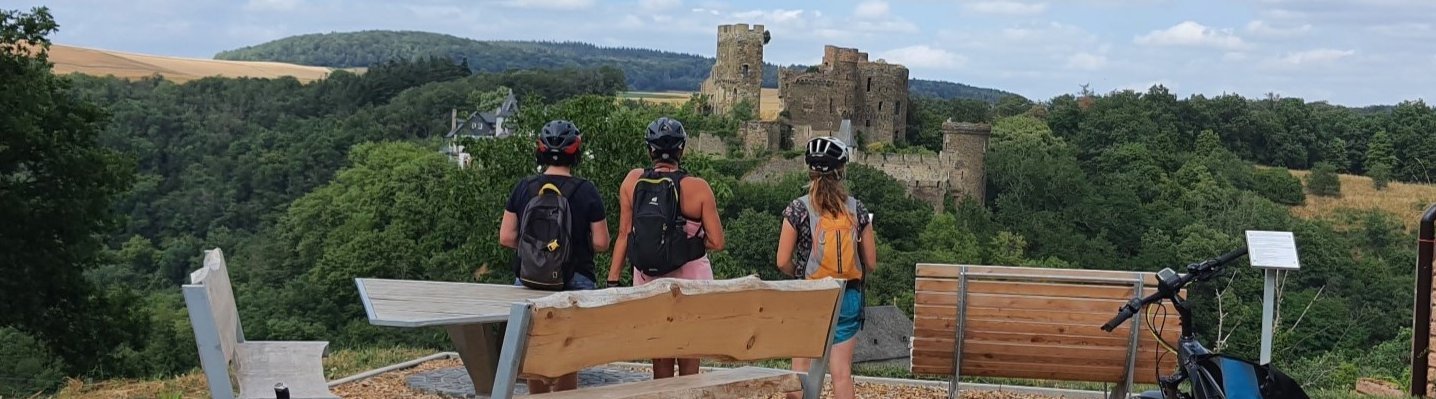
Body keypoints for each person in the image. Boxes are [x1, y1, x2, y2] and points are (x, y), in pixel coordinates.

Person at [607, 116, 725, 379]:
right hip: (692, 285)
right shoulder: (698, 188)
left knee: (660, 358)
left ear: (650, 150)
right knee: (690, 360)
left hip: (649, 281)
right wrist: (687, 245)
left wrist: (613, 282)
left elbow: (624, 234)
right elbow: (718, 241)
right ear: (681, 149)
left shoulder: (632, 182)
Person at [498, 119, 610, 393]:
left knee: (535, 350)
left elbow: (506, 237)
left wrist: (539, 253)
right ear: (576, 153)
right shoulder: (587, 191)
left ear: (541, 151)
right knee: (567, 355)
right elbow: (601, 242)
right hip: (576, 281)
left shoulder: (524, 188)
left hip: (530, 280)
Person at [775, 136, 877, 399]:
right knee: (841, 373)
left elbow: (782, 260)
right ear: (840, 171)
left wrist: (799, 272)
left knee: (800, 371)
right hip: (847, 295)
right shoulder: (857, 210)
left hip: (811, 295)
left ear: (810, 170)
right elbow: (872, 262)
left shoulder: (798, 209)